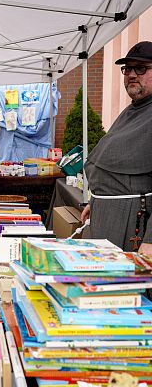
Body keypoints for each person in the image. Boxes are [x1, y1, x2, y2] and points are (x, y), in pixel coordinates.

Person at [81, 41, 152, 254]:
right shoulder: (132, 111)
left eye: (141, 68)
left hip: (134, 225)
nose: (131, 74)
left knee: (127, 286)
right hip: (106, 217)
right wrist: (98, 201)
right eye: (127, 69)